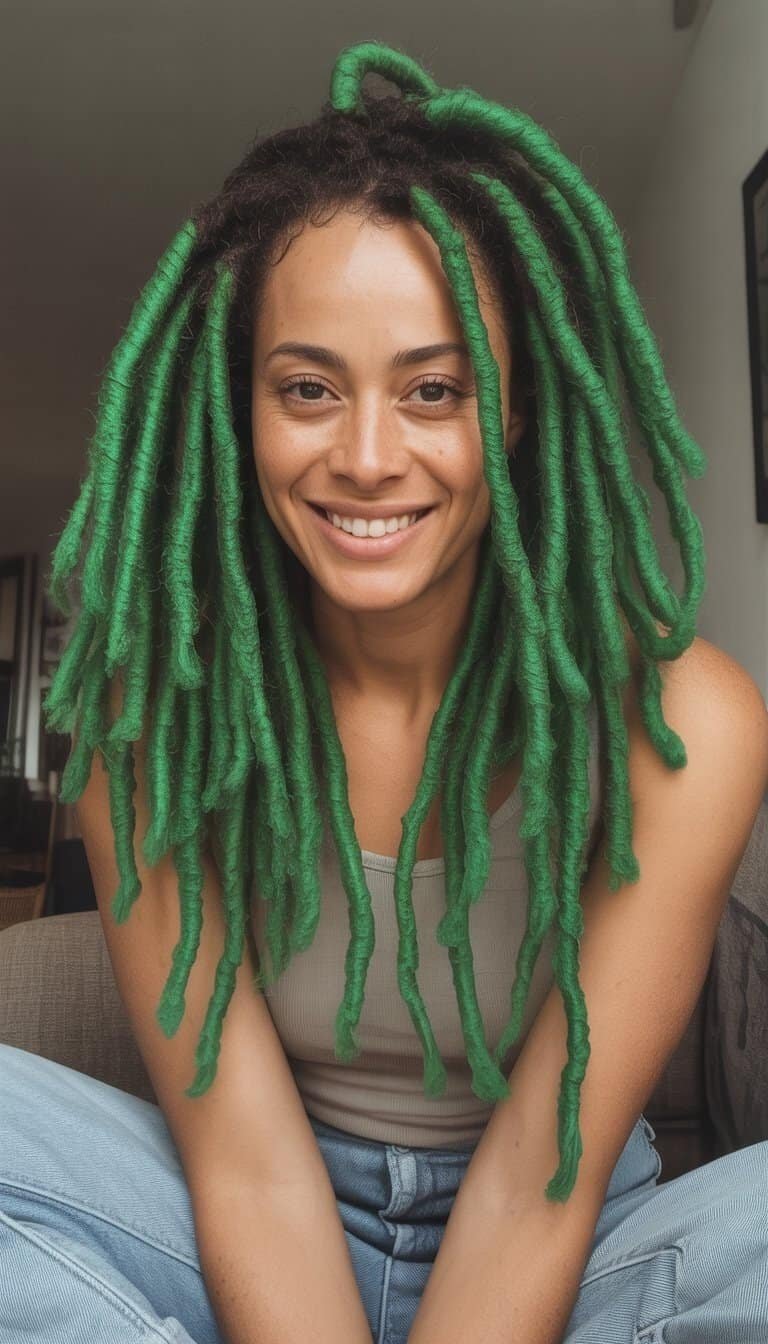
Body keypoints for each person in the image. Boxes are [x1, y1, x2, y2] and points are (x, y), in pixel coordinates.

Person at [2, 37, 767, 1344]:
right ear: (239, 408)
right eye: (308, 388)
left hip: (570, 1244)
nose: (367, 456)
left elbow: (545, 1166)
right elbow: (243, 1161)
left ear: (515, 413)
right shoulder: (150, 727)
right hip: (251, 1220)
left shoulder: (681, 720)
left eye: (434, 389)